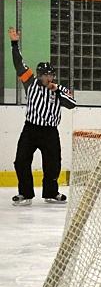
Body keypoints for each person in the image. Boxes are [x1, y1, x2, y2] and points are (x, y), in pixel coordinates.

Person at [8, 27, 76, 207]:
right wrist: (14, 44)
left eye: (50, 74)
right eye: (45, 75)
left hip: (50, 132)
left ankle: (51, 193)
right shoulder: (30, 82)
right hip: (30, 129)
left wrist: (59, 91)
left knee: (53, 163)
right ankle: (25, 193)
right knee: (21, 160)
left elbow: (72, 104)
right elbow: (18, 63)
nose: (48, 77)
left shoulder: (58, 89)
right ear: (38, 75)